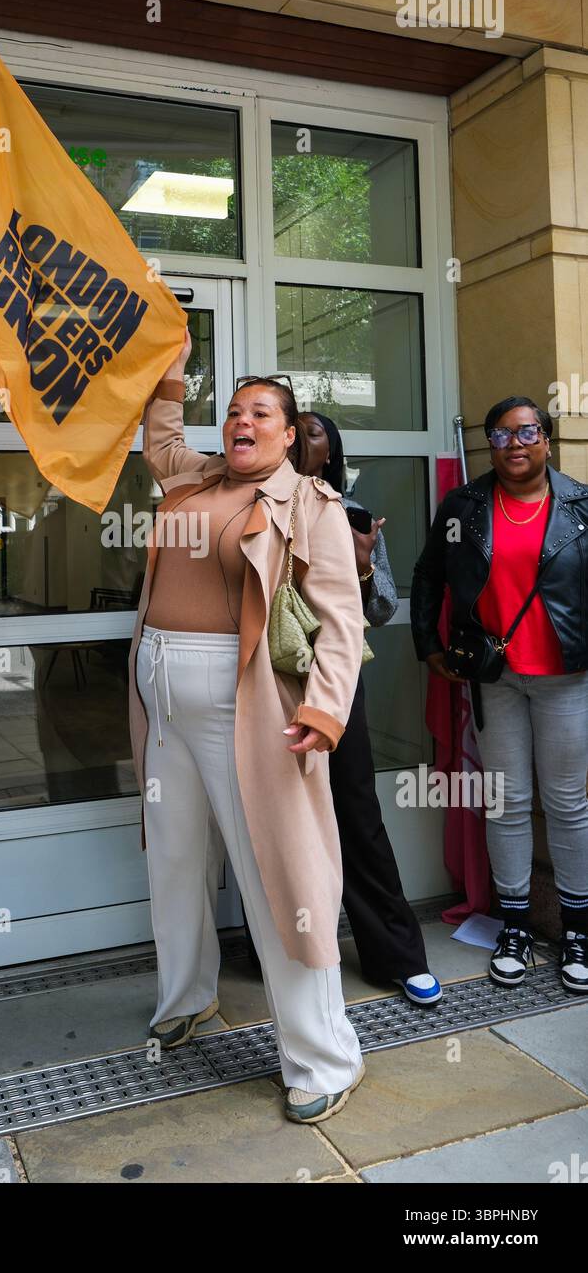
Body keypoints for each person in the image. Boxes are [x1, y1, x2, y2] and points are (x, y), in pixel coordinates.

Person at [129, 335, 366, 1124]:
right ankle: (187, 996)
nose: (242, 421)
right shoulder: (195, 479)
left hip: (252, 711)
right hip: (164, 705)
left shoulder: (312, 504)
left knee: (280, 881)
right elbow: (161, 438)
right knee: (173, 860)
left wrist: (326, 710)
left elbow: (341, 619)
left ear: (290, 433)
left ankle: (323, 1055)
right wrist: (169, 366)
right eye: (233, 410)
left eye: (261, 412)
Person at [411, 396, 588, 993]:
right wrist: (427, 646)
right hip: (496, 678)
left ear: (546, 439)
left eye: (526, 432)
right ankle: (513, 926)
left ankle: (578, 930)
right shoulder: (464, 504)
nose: (515, 444)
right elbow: (428, 573)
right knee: (507, 801)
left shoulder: (582, 505)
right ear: (490, 444)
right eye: (501, 435)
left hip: (565, 677)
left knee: (566, 803)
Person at [299, 412, 442, 1006]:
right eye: (296, 428)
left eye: (314, 433)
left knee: (356, 809)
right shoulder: (247, 503)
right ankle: (285, 955)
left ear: (331, 451)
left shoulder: (350, 512)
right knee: (275, 817)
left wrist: (360, 563)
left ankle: (396, 954)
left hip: (333, 677)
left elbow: (380, 608)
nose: (303, 440)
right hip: (264, 678)